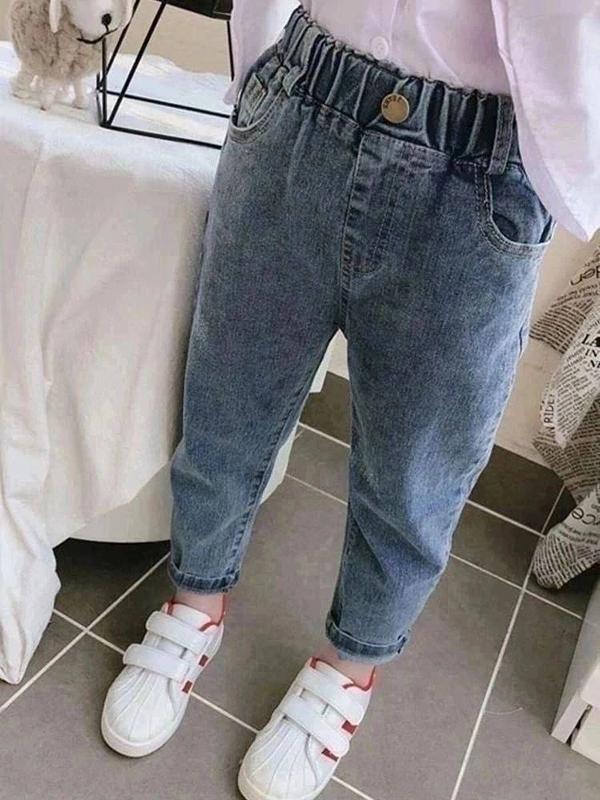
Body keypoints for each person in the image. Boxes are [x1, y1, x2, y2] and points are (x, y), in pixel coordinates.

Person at [100, 3, 599, 799]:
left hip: (484, 161)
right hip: (307, 91)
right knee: (228, 399)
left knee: (414, 471)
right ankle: (195, 600)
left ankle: (350, 666)